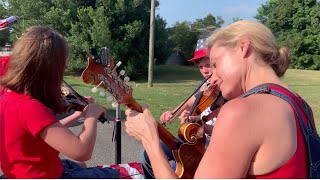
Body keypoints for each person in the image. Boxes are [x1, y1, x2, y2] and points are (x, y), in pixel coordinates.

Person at [124, 20, 315, 178]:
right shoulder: (300, 104)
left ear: (243, 47)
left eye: (215, 63)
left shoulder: (242, 111)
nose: (212, 76)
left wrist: (150, 141)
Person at [0, 26, 119, 178]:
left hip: (28, 171)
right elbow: (81, 152)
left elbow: (48, 130)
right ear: (50, 70)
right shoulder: (30, 107)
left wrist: (77, 115)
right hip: (43, 176)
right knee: (114, 174)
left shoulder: (9, 98)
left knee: (80, 166)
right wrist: (91, 116)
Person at [140, 38, 223, 178]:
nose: (205, 71)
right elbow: (190, 102)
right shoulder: (207, 85)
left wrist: (197, 122)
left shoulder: (228, 88)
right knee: (146, 155)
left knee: (173, 167)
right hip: (196, 137)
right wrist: (173, 113)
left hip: (210, 142)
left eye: (208, 65)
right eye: (200, 67)